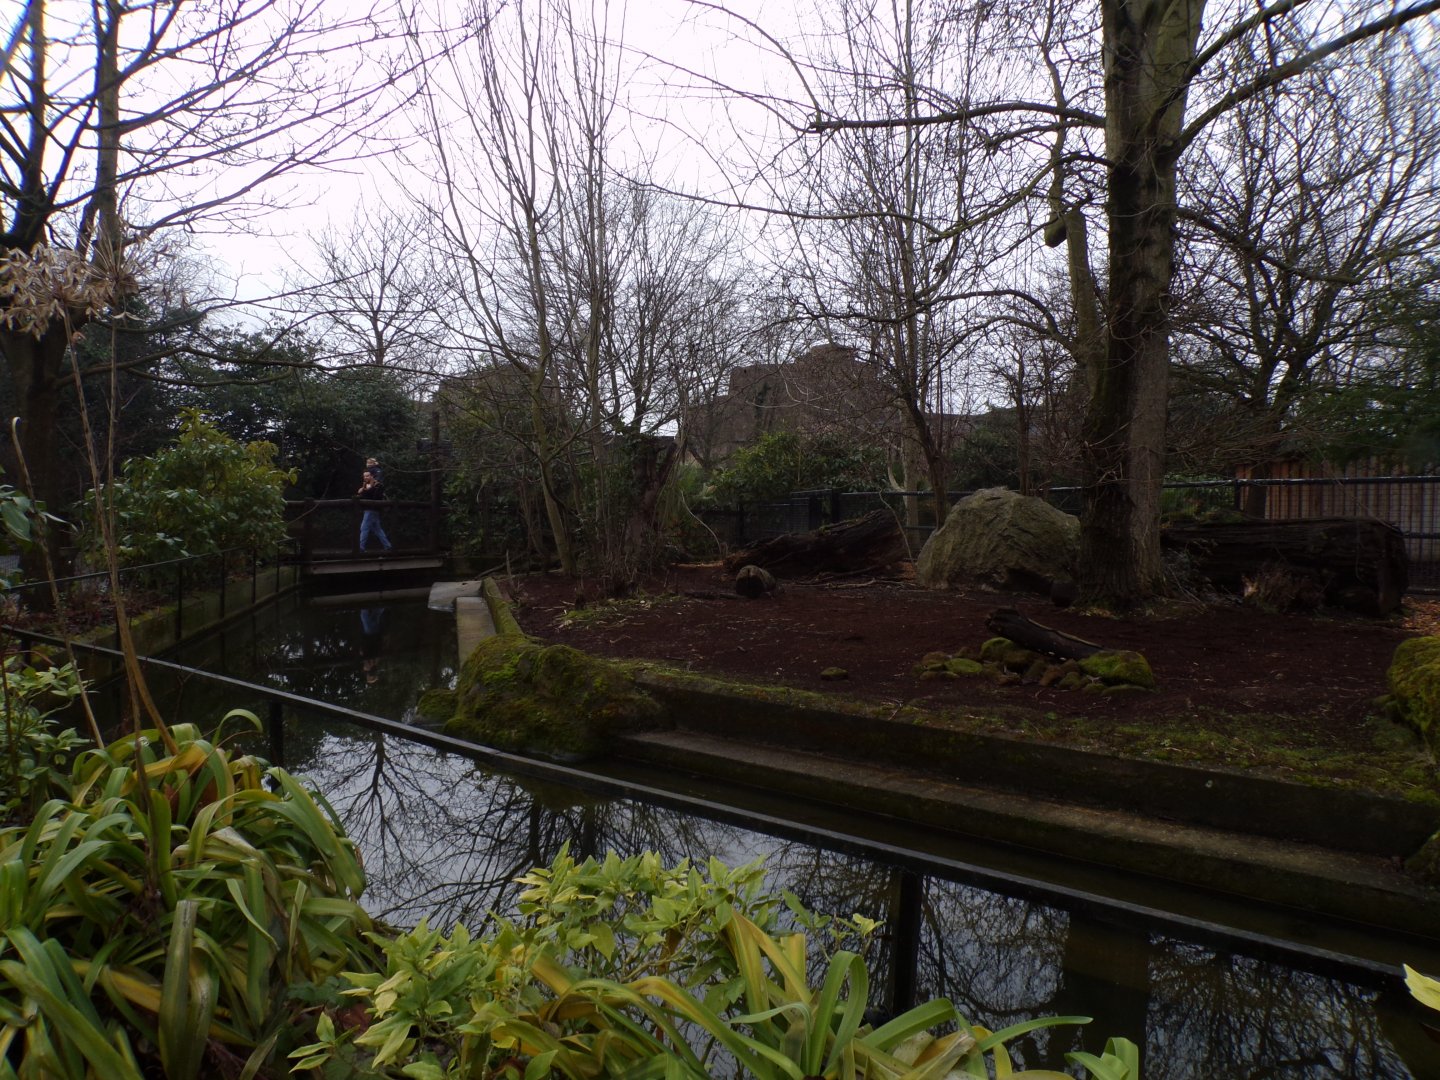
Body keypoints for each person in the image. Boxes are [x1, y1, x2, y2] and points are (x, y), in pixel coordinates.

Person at [356, 469, 392, 552]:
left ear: (372, 476)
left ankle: (361, 548)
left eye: (367, 476)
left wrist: (364, 491)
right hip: (369, 510)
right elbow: (363, 497)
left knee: (364, 528)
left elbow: (375, 496)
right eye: (364, 476)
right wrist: (361, 492)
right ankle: (388, 546)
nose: (366, 477)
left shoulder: (377, 485)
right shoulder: (365, 485)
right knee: (377, 530)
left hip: (371, 509)